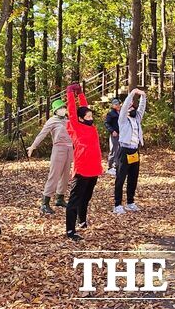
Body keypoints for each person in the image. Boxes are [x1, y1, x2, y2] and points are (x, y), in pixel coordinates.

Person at [64, 83, 103, 241]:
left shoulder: (91, 127)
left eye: (91, 116)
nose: (90, 118)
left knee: (86, 197)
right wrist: (70, 94)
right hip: (82, 169)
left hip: (94, 169)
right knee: (75, 200)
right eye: (87, 117)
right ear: (80, 119)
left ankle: (82, 221)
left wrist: (81, 94)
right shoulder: (76, 125)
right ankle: (70, 230)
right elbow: (73, 111)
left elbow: (84, 107)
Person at [27, 99, 74, 214]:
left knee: (66, 175)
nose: (62, 110)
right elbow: (42, 133)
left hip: (70, 148)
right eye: (60, 108)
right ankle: (45, 203)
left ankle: (60, 198)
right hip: (59, 149)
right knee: (54, 175)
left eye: (63, 107)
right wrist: (33, 146)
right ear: (55, 111)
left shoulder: (68, 120)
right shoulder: (52, 121)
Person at [113, 88, 146, 215]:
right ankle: (117, 204)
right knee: (120, 178)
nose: (132, 109)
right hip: (124, 150)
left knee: (133, 177)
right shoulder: (122, 120)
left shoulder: (137, 119)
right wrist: (132, 93)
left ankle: (130, 202)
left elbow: (142, 108)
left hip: (134, 151)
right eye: (130, 108)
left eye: (133, 108)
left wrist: (143, 96)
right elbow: (126, 103)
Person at [104, 98, 122, 176]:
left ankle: (117, 167)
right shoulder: (111, 114)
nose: (117, 106)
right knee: (113, 150)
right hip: (114, 135)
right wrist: (112, 131)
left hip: (122, 135)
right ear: (113, 105)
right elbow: (106, 123)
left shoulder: (123, 112)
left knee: (120, 151)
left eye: (118, 104)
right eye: (115, 104)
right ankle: (110, 167)